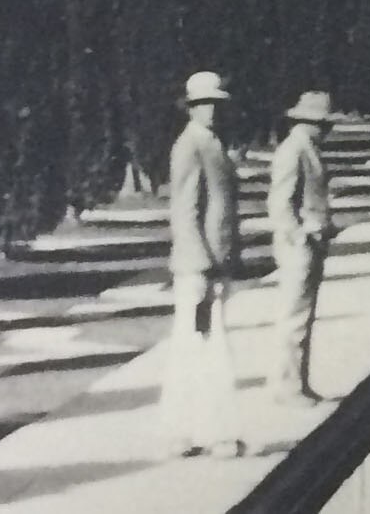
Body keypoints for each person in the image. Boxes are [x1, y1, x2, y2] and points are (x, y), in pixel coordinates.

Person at [165, 71, 245, 455]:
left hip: (214, 264)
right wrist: (200, 265)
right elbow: (184, 210)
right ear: (191, 107)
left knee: (206, 347)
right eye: (202, 103)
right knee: (199, 348)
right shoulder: (190, 145)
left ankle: (194, 432)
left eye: (215, 102)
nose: (210, 109)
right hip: (199, 268)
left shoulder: (212, 143)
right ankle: (199, 433)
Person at [266, 90, 336, 405]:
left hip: (311, 242)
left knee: (301, 317)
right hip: (300, 246)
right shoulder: (293, 150)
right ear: (309, 122)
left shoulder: (306, 147)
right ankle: (289, 388)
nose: (326, 130)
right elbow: (279, 202)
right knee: (294, 318)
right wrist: (299, 237)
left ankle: (292, 382)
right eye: (323, 123)